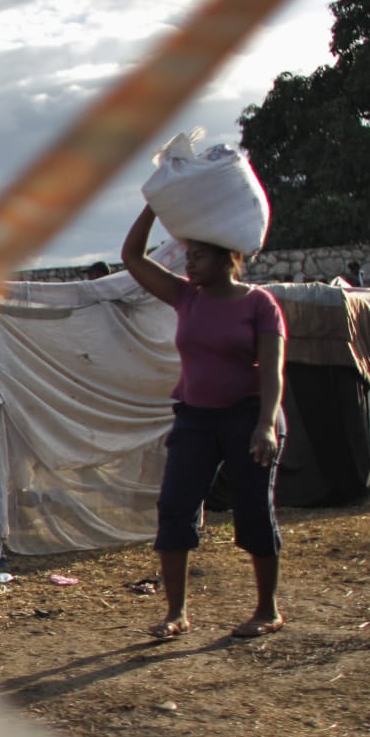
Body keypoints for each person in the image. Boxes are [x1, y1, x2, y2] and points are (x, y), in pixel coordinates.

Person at [121, 205, 288, 641]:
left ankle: (267, 609)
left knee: (253, 509)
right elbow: (133, 258)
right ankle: (177, 613)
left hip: (249, 416)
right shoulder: (186, 296)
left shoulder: (259, 304)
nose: (189, 262)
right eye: (188, 256)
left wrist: (266, 425)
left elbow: (272, 370)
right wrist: (154, 206)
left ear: (226, 258)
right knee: (175, 507)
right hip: (195, 418)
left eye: (198, 256)